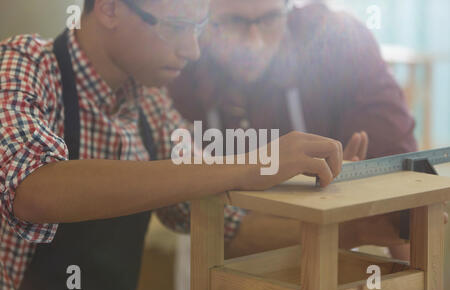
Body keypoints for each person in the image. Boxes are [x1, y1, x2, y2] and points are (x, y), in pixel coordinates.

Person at [0, 0, 345, 290]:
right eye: (177, 26)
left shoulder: (149, 102)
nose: (192, 50)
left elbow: (228, 226)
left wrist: (348, 226)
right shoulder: (23, 65)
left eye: (198, 28)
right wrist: (250, 164)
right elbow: (33, 190)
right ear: (109, 8)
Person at [169, 0, 447, 260]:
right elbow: (185, 202)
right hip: (214, 244)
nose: (254, 42)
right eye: (232, 22)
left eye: (270, 19)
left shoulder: (342, 41)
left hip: (332, 245)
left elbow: (400, 184)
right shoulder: (178, 56)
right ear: (200, 16)